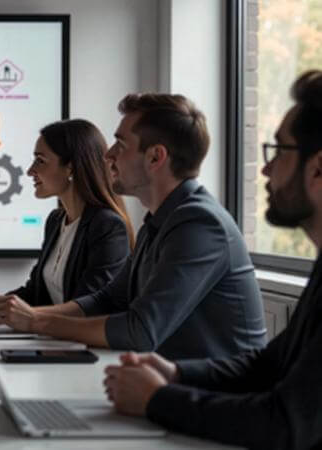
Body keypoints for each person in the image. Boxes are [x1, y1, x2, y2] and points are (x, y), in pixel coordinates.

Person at [103, 71, 322, 450]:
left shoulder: (199, 220)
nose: (266, 169)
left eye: (278, 151)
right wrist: (174, 374)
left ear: (318, 169)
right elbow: (268, 365)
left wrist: (156, 398)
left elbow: (285, 423)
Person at [0, 94, 266, 360]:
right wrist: (13, 315)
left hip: (210, 399)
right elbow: (105, 301)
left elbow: (140, 330)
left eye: (120, 143)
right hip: (170, 382)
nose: (108, 154)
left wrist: (35, 322)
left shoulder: (199, 224)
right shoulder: (160, 220)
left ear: (155, 157)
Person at [0, 119, 133, 309]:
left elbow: (87, 308)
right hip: (53, 336)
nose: (30, 171)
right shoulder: (56, 220)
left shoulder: (107, 226)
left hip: (78, 338)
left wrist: (29, 320)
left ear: (71, 167)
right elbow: (34, 294)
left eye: (40, 161)